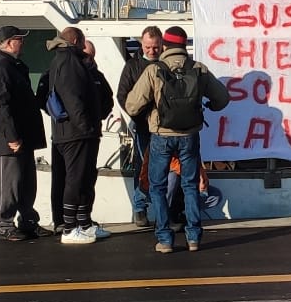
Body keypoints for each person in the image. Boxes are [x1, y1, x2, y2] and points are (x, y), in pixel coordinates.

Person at [121, 25, 230, 252]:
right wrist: (208, 104)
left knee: (157, 187)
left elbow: (131, 105)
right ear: (183, 45)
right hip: (190, 135)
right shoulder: (198, 69)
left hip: (161, 135)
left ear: (165, 45)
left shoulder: (154, 70)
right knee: (190, 185)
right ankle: (193, 238)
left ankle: (165, 239)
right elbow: (223, 98)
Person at [40, 27, 115, 244]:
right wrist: (85, 126)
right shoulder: (69, 62)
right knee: (75, 179)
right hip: (76, 133)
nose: (84, 47)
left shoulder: (62, 61)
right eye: (82, 42)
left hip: (74, 131)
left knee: (85, 177)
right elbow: (73, 98)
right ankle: (70, 228)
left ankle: (84, 224)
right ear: (75, 40)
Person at [0, 24, 45, 242]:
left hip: (22, 136)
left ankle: (27, 220)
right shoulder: (1, 68)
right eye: (19, 39)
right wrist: (11, 137)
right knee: (9, 183)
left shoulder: (14, 66)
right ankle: (5, 224)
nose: (22, 42)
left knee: (25, 182)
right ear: (8, 43)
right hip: (7, 139)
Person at [117, 26, 165, 226]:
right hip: (143, 125)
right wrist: (137, 116)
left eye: (155, 47)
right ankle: (140, 207)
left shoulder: (166, 64)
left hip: (166, 126)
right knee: (143, 166)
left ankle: (163, 208)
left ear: (161, 45)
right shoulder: (132, 66)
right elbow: (122, 95)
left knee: (166, 167)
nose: (152, 51)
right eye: (148, 47)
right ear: (142, 45)